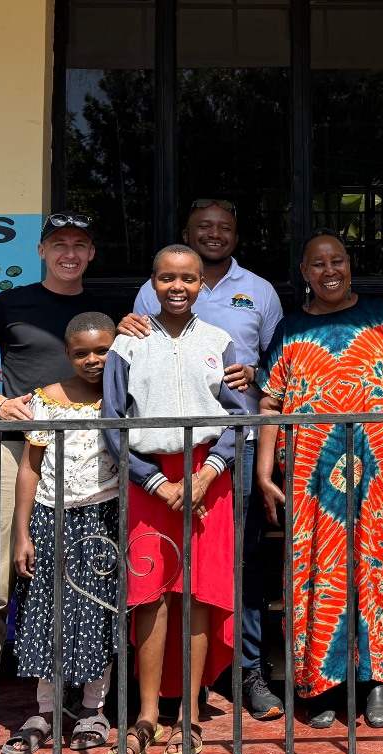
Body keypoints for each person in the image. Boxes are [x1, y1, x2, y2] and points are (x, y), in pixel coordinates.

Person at [120, 198, 284, 720]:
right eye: (204, 227)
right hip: (156, 464)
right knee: (158, 575)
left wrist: (257, 375)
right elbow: (131, 359)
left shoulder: (259, 291)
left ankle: (244, 672)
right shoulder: (146, 302)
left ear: (236, 234)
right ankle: (168, 694)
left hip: (228, 453)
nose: (215, 234)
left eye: (224, 227)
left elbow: (279, 365)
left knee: (237, 564)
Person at [255, 229, 383, 730]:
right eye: (318, 264)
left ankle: (376, 682)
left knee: (377, 566)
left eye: (338, 261)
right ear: (304, 273)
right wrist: (263, 472)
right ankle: (321, 684)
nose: (330, 271)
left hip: (379, 472)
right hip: (311, 479)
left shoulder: (379, 316)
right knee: (316, 571)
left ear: (350, 265)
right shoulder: (290, 329)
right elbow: (270, 403)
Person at [0, 212, 98, 749]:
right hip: (17, 453)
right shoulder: (11, 303)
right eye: (59, 244)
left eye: (79, 245)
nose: (69, 254)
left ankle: (85, 699)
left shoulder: (105, 310)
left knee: (87, 576)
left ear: (91, 254)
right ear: (41, 251)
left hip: (90, 460)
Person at [102, 244, 246, 754]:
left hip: (210, 476)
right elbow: (113, 420)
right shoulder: (127, 344)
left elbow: (237, 418)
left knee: (201, 593)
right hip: (148, 478)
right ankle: (146, 715)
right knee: (151, 593)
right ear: (152, 283)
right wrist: (153, 482)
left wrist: (207, 474)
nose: (178, 287)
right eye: (167, 278)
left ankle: (190, 714)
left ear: (202, 284)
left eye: (188, 278)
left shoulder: (219, 341)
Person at [4, 312, 120, 754]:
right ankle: (45, 711)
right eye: (81, 353)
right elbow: (30, 469)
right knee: (45, 612)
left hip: (103, 518)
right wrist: (22, 534)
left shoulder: (122, 398)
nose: (93, 360)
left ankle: (93, 709)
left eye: (102, 351)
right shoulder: (45, 400)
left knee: (97, 613)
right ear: (67, 354)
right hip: (50, 519)